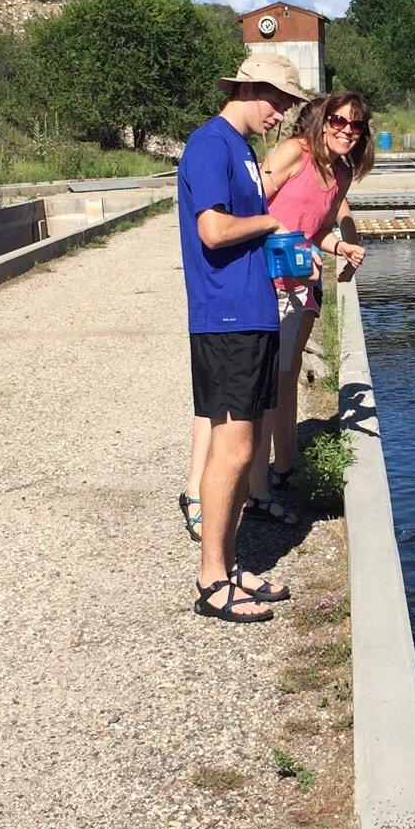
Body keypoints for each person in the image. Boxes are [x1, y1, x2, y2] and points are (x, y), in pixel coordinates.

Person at [175, 52, 313, 623]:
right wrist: (271, 224)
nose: (282, 115)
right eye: (279, 102)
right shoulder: (211, 144)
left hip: (251, 312)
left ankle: (230, 566)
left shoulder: (242, 148)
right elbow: (212, 230)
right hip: (226, 318)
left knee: (245, 445)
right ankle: (211, 580)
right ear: (252, 88)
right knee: (231, 450)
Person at [258, 90, 372, 488]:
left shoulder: (340, 174)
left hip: (299, 283)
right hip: (263, 277)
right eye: (339, 121)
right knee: (261, 378)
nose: (347, 131)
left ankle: (285, 466)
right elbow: (251, 203)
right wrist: (290, 240)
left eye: (356, 125)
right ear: (323, 121)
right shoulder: (295, 152)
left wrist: (340, 245)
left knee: (285, 374)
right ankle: (250, 482)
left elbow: (318, 226)